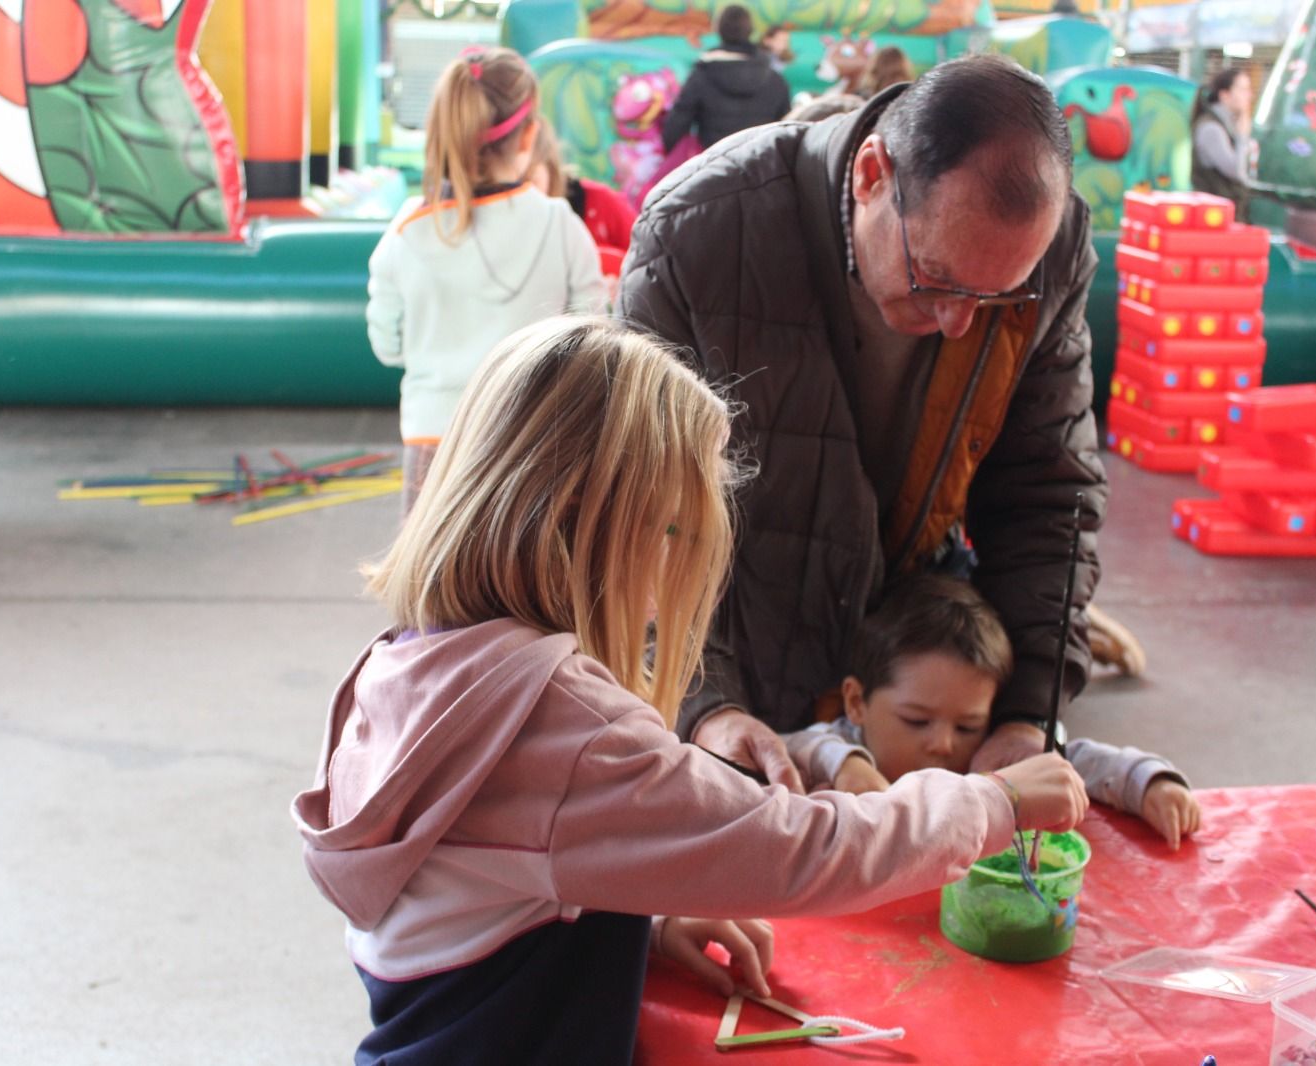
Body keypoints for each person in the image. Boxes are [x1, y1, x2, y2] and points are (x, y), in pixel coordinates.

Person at [292, 315, 1090, 1066]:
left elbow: (493, 877)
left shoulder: (418, 661)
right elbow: (806, 847)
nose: (675, 571)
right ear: (584, 525)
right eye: (671, 530)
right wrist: (995, 802)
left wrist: (639, 914)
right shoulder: (560, 722)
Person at [618, 54, 1108, 790]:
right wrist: (704, 706)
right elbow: (632, 511)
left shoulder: (1051, 252)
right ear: (872, 174)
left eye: (995, 298)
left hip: (903, 684)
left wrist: (1024, 712)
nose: (956, 323)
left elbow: (1048, 492)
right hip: (734, 674)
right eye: (936, 279)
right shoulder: (700, 232)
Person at [784, 576, 1201, 848]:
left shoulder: (985, 757)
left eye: (968, 724)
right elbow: (795, 745)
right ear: (857, 702)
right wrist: (848, 765)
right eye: (916, 720)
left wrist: (1149, 782)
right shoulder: (839, 749)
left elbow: (1069, 765)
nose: (944, 744)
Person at [365, 47, 605, 511]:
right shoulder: (560, 225)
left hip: (435, 436)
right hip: (533, 437)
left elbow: (387, 346)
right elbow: (594, 336)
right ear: (528, 136)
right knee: (527, 582)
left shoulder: (407, 231)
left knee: (429, 581)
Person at [660, 4, 790, 155]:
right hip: (761, 169)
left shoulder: (702, 75)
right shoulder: (776, 80)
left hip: (714, 167)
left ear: (719, 30)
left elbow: (677, 123)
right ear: (750, 31)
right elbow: (786, 130)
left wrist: (667, 151)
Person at [526, 122, 637, 257]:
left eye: (530, 180)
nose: (521, 192)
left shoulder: (599, 200)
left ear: (549, 166)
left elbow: (649, 253)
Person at [1191, 68, 1253, 220]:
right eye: (1243, 89)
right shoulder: (1211, 128)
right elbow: (1236, 172)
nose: (1249, 95)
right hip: (1214, 217)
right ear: (1224, 95)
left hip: (1224, 215)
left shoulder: (1227, 125)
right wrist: (1242, 137)